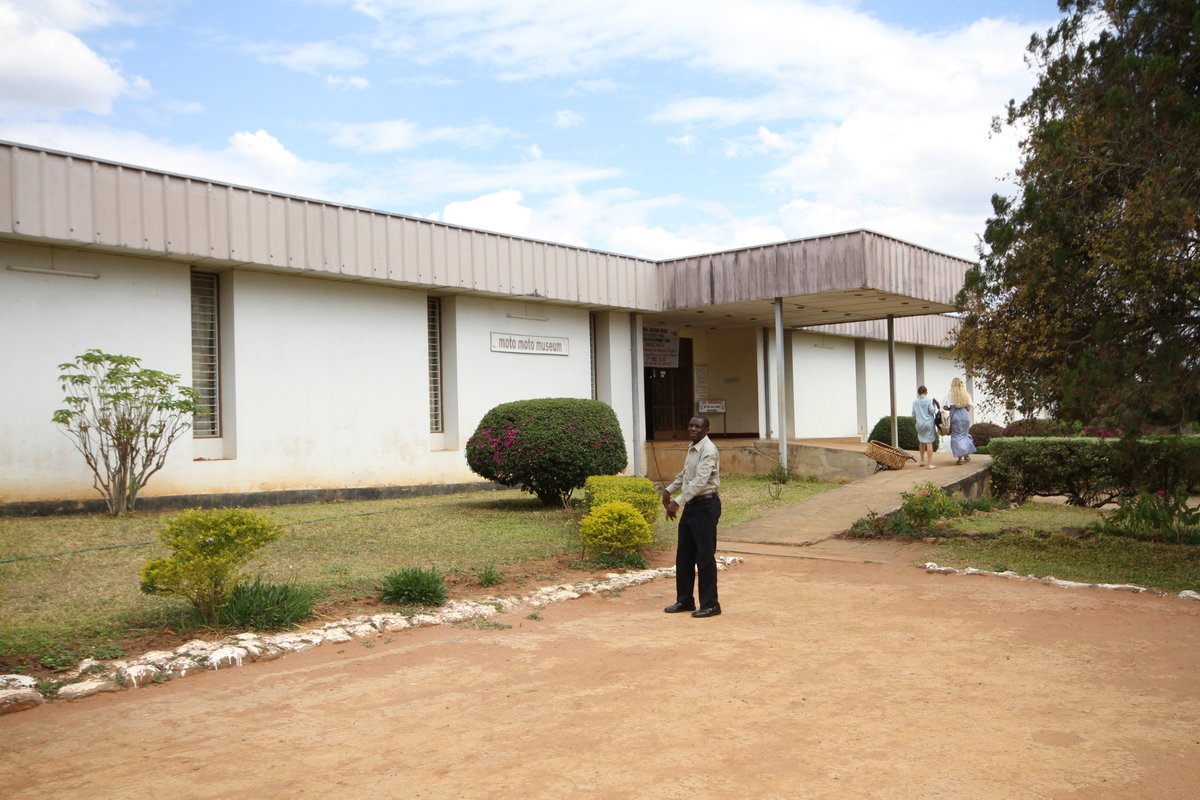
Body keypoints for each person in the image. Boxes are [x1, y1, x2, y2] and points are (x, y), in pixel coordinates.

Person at [661, 415, 722, 618]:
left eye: (698, 426)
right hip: (692, 507)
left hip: (705, 506)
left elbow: (700, 481)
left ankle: (711, 604)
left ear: (707, 430)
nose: (693, 429)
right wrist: (668, 490)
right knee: (684, 556)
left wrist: (677, 502)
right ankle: (685, 600)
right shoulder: (693, 447)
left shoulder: (709, 450)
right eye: (691, 425)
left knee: (704, 556)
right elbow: (686, 474)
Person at [944, 377, 977, 465]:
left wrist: (951, 407)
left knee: (956, 436)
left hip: (955, 416)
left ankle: (960, 457)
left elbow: (944, 406)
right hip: (965, 416)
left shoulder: (950, 394)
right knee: (964, 435)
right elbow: (969, 408)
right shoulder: (966, 394)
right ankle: (966, 455)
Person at [911, 385, 938, 469]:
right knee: (929, 443)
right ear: (926, 392)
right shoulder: (929, 400)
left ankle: (922, 461)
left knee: (921, 442)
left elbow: (913, 414)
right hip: (928, 423)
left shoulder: (915, 402)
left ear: (918, 393)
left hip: (919, 424)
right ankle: (930, 464)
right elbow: (932, 411)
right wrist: (934, 406)